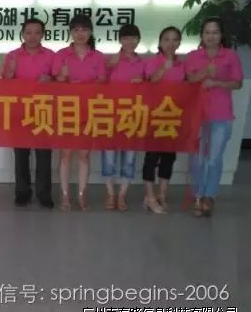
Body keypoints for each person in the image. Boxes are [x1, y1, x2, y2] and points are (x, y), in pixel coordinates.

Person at [186, 17, 242, 218]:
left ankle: (209, 196)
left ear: (221, 35)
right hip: (198, 114)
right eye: (207, 32)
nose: (211, 36)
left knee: (214, 159)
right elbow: (190, 79)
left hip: (221, 114)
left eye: (215, 32)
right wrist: (205, 73)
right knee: (198, 159)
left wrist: (217, 83)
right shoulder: (193, 56)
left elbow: (237, 83)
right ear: (202, 35)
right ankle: (198, 195)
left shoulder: (230, 56)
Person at [52, 14, 106, 211]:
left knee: (84, 155)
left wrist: (86, 86)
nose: (80, 34)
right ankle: (65, 195)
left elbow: (102, 81)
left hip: (89, 110)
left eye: (84, 30)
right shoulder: (61, 54)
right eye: (76, 30)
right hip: (66, 110)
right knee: (65, 154)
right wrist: (62, 76)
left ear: (90, 32)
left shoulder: (98, 56)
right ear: (71, 33)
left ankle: (82, 194)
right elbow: (55, 81)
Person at [2, 19, 55, 208]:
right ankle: (22, 192)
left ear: (43, 35)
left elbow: (60, 81)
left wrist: (50, 80)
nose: (32, 36)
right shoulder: (12, 56)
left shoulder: (51, 55)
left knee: (44, 154)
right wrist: (10, 73)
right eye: (28, 32)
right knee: (21, 154)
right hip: (19, 110)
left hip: (43, 109)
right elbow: (4, 83)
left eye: (37, 32)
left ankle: (44, 193)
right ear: (23, 34)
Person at [102, 24, 145, 212]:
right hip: (111, 115)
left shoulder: (143, 63)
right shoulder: (111, 60)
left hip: (134, 115)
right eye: (126, 38)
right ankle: (111, 194)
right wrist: (109, 67)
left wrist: (142, 83)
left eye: (134, 38)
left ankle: (122, 195)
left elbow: (151, 88)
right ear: (120, 40)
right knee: (109, 157)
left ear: (139, 40)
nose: (130, 41)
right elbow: (99, 84)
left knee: (129, 157)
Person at [142, 26, 185, 214]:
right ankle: (150, 197)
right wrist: (163, 68)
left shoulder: (182, 65)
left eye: (175, 39)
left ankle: (162, 195)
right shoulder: (152, 62)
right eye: (166, 39)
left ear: (179, 43)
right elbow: (151, 82)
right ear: (160, 42)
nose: (170, 43)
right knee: (152, 157)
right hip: (154, 116)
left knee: (169, 158)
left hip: (173, 117)